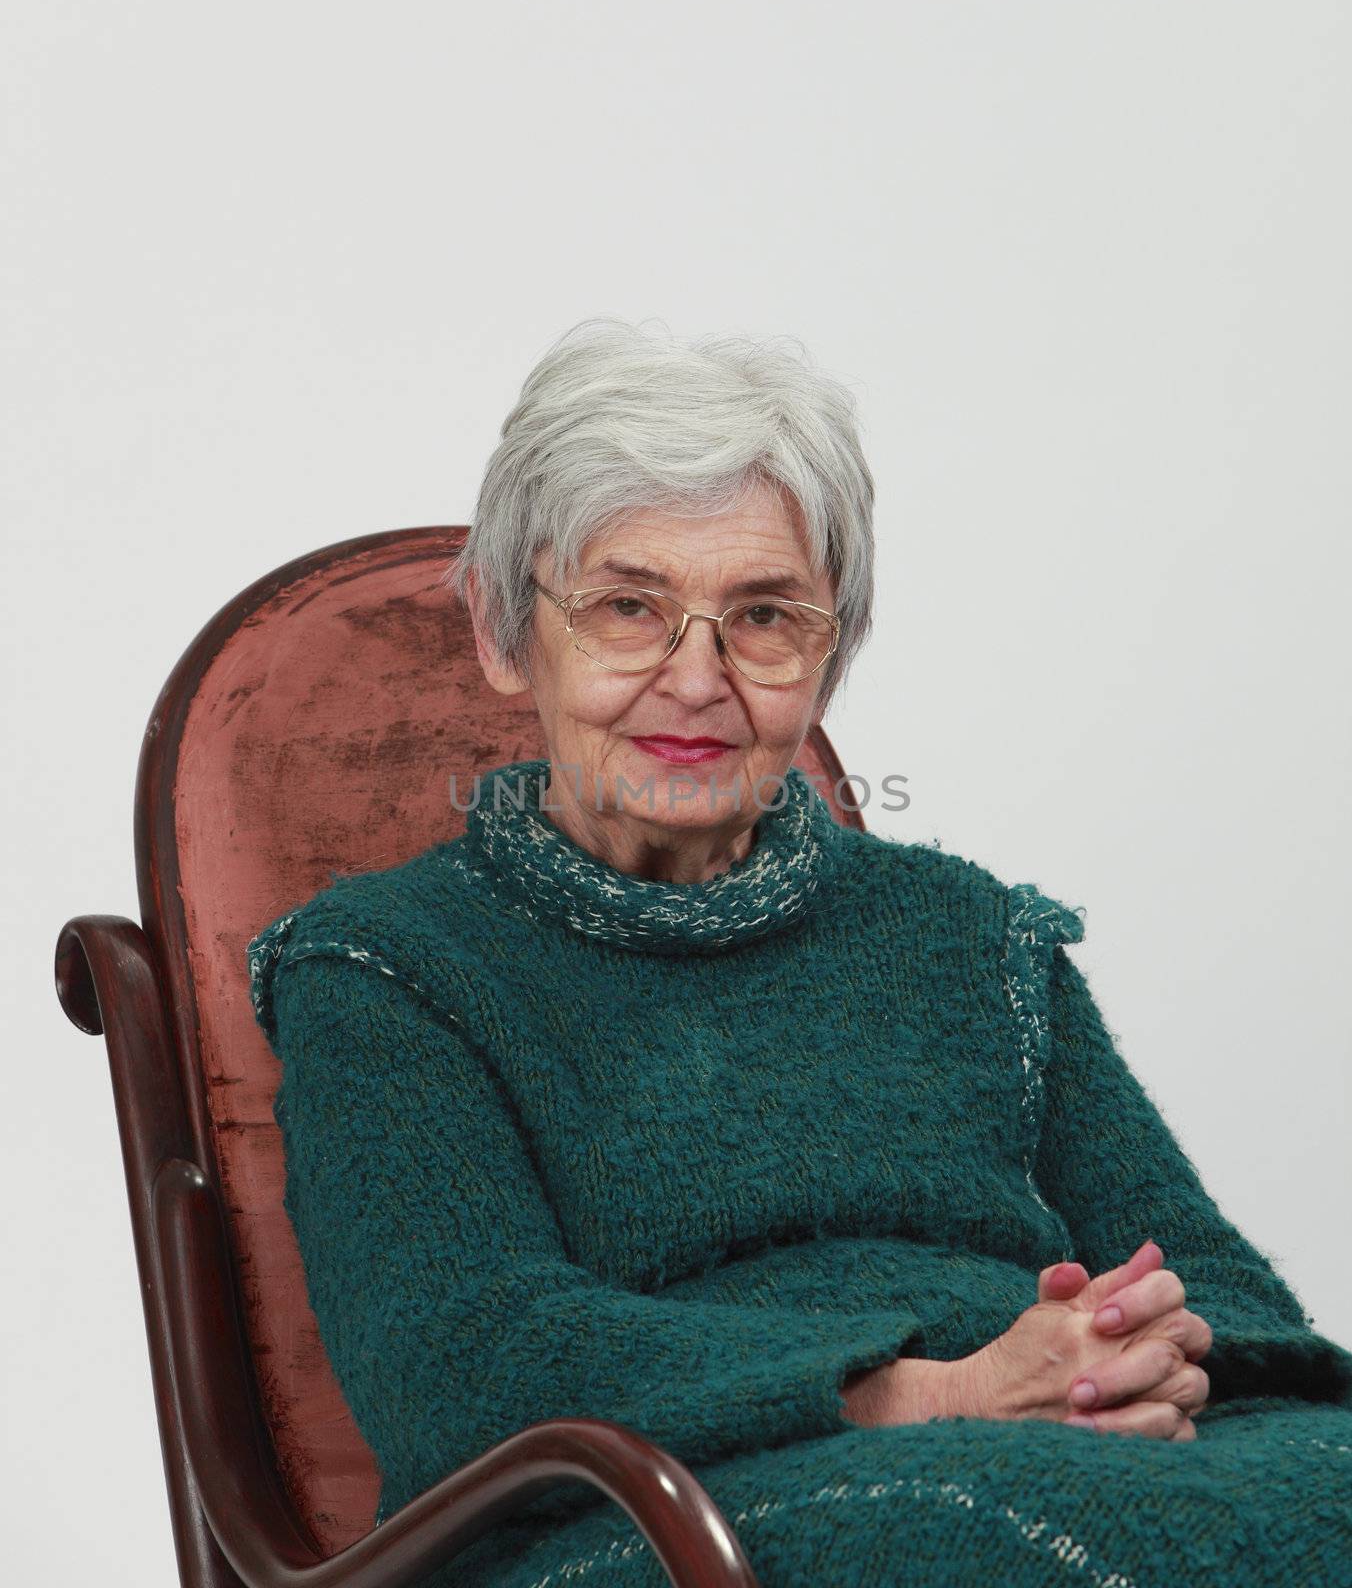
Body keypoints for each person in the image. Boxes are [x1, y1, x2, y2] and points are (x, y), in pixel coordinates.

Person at [247, 318, 1352, 1588]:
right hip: (630, 1522)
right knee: (1007, 1530)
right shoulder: (388, 967)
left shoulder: (969, 933)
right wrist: (933, 1394)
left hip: (1039, 1457)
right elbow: (468, 1363)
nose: (697, 678)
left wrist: (1136, 1350)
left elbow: (1214, 1281)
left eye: (763, 616)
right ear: (506, 634)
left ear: (827, 659)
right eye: (627, 608)